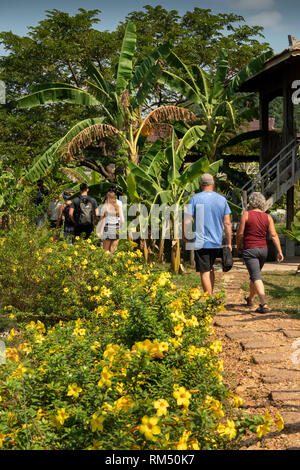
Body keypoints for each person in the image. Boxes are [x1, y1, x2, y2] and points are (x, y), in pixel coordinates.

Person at [183, 174, 232, 295]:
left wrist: (185, 234)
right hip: (216, 242)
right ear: (213, 184)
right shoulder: (222, 200)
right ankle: (211, 296)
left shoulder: (195, 199)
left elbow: (187, 220)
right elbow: (227, 223)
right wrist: (229, 242)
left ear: (200, 185)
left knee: (204, 271)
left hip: (201, 242)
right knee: (210, 269)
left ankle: (209, 300)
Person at [236, 192, 284, 313]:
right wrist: (279, 251)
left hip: (250, 249)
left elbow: (240, 233)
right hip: (263, 250)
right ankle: (250, 299)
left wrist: (238, 245)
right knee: (254, 275)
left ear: (251, 203)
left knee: (256, 276)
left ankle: (263, 304)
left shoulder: (246, 215)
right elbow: (273, 235)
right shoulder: (267, 217)